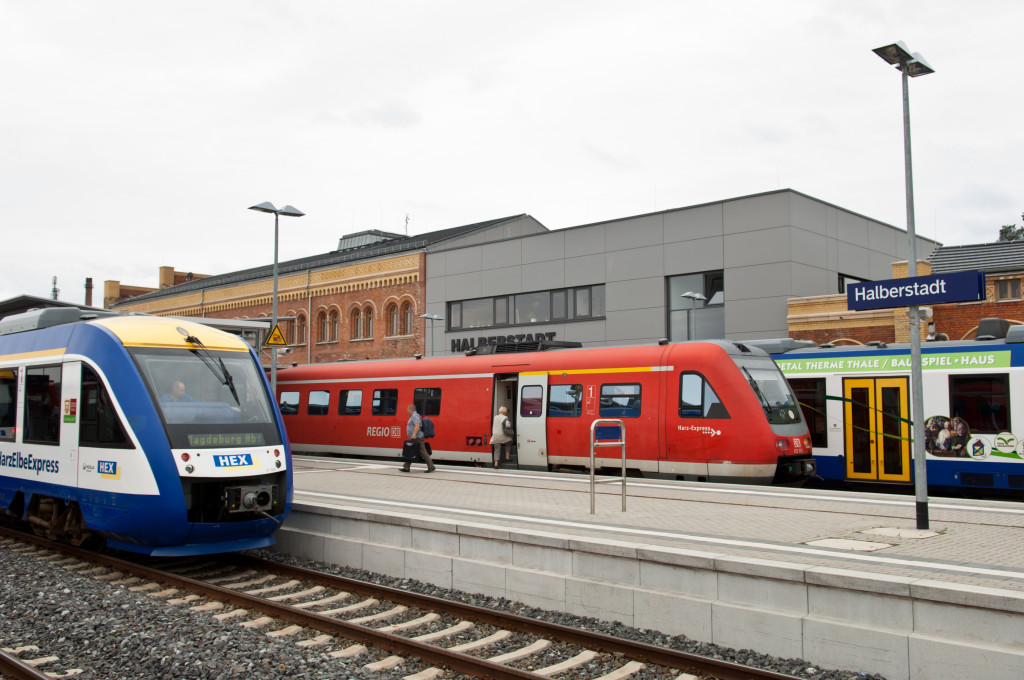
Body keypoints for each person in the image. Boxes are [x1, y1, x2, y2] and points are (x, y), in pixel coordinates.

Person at [401, 404, 435, 473]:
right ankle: (406, 467)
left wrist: (413, 435)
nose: (407, 411)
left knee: (423, 452)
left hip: (418, 437)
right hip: (416, 437)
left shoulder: (415, 416)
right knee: (411, 451)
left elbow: (417, 425)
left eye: (408, 409)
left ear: (411, 409)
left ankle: (431, 466)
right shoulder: (413, 416)